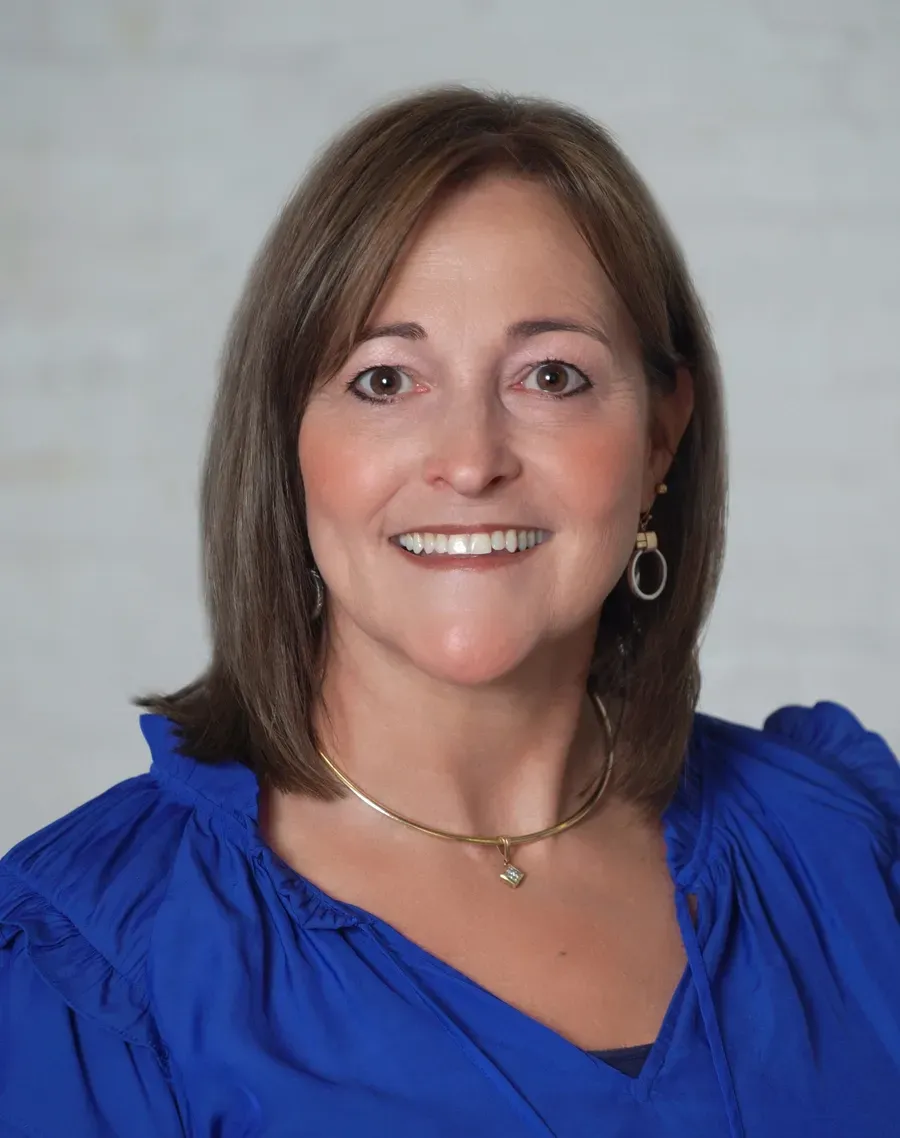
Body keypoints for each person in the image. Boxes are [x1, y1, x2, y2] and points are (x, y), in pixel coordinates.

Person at [1, 85, 897, 1138]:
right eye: (386, 380)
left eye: (552, 375)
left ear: (661, 440)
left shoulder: (844, 853)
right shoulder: (93, 964)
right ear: (288, 445)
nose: (470, 461)